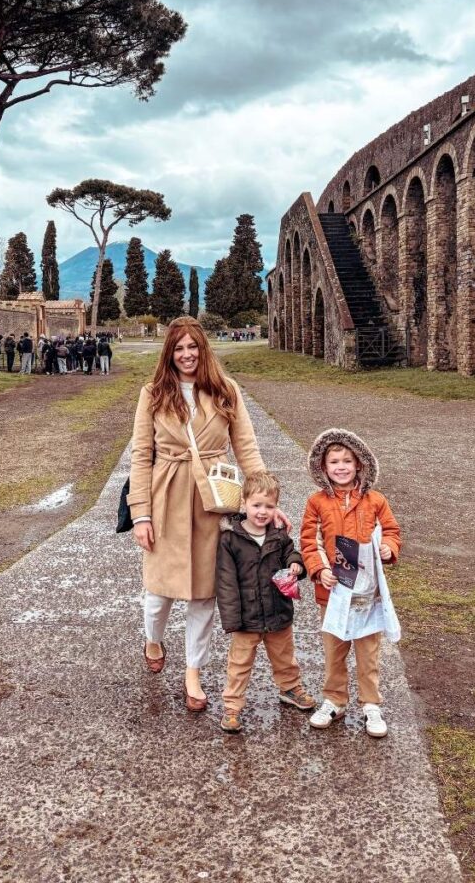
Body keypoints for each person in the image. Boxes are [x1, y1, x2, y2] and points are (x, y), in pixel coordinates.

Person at [128, 316, 289, 711]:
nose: (187, 355)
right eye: (179, 348)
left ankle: (193, 673)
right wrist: (141, 515)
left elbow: (247, 449)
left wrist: (267, 502)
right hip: (166, 496)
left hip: (214, 500)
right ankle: (153, 638)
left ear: (204, 349)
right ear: (170, 353)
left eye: (193, 347)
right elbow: (140, 456)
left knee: (204, 595)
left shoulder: (226, 391)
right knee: (158, 596)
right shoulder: (152, 394)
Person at [300, 429, 402, 738]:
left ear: (359, 465)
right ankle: (334, 700)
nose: (341, 466)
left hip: (366, 594)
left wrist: (389, 549)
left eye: (347, 460)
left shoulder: (376, 501)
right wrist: (319, 570)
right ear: (323, 467)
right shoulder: (316, 502)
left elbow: (391, 531)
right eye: (334, 461)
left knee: (367, 652)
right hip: (331, 593)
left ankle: (371, 704)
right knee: (335, 649)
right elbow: (309, 540)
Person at [216, 470, 315, 733]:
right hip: (246, 618)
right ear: (244, 503)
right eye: (256, 505)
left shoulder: (279, 536)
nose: (262, 512)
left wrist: (295, 564)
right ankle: (233, 705)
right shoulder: (230, 539)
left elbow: (291, 554)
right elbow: (226, 582)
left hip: (277, 611)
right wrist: (232, 620)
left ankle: (290, 688)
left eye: (269, 506)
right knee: (239, 664)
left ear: (276, 508)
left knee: (284, 657)